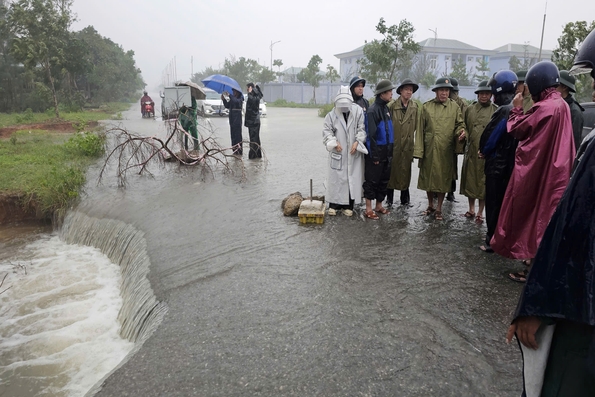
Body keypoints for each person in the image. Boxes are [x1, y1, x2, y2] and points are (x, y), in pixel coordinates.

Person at [505, 29, 595, 396]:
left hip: (544, 178)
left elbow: (576, 235)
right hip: (559, 177)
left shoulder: (543, 108)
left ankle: (526, 265)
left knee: (542, 225)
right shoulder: (566, 108)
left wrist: (538, 303)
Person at [490, 61, 575, 283]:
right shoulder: (562, 105)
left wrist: (517, 108)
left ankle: (532, 270)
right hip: (557, 171)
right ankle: (533, 263)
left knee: (532, 213)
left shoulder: (545, 108)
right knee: (545, 215)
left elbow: (518, 129)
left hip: (542, 170)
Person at [414, 77, 466, 221]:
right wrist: (419, 151)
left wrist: (461, 132)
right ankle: (430, 204)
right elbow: (420, 130)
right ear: (436, 91)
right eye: (441, 90)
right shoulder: (426, 107)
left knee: (443, 179)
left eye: (447, 90)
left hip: (445, 149)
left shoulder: (454, 107)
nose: (444, 93)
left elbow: (459, 124)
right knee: (428, 178)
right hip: (430, 148)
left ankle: (439, 208)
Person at [478, 70, 518, 254]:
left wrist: (483, 150)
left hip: (497, 166)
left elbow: (491, 138)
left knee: (494, 204)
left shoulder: (505, 110)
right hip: (510, 165)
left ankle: (491, 241)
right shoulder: (517, 108)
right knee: (504, 204)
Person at [322, 86, 366, 216]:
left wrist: (357, 141)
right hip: (338, 152)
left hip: (353, 152)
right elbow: (326, 131)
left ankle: (349, 205)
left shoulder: (358, 112)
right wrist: (334, 142)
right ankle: (334, 205)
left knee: (350, 178)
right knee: (336, 178)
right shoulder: (331, 115)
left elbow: (361, 129)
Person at [460, 80, 497, 223]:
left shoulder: (495, 110)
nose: (484, 96)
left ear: (491, 95)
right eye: (481, 93)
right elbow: (466, 127)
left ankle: (481, 211)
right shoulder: (470, 109)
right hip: (472, 151)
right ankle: (471, 208)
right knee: (471, 180)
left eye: (487, 93)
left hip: (486, 153)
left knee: (483, 183)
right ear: (477, 95)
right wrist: (464, 134)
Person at [363, 79, 395, 220]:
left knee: (384, 180)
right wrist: (374, 155)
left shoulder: (386, 109)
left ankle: (379, 205)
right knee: (372, 180)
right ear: (382, 94)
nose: (392, 94)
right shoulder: (372, 111)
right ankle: (368, 208)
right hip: (376, 151)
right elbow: (371, 135)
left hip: (387, 150)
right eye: (389, 92)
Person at [386, 78, 420, 206]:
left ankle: (404, 200)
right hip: (394, 145)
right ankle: (389, 200)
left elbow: (417, 126)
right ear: (400, 91)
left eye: (411, 90)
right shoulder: (391, 106)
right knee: (391, 173)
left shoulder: (415, 107)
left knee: (405, 173)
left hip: (407, 146)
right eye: (406, 89)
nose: (409, 92)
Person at [446, 77, 468, 202]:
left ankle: (450, 192)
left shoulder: (461, 104)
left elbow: (464, 121)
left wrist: (462, 133)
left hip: (454, 138)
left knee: (452, 166)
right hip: (442, 137)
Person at [557, 70, 585, 151]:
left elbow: (574, 141)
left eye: (556, 85)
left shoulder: (574, 111)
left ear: (564, 87)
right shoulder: (556, 106)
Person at [222, 88, 244, 156]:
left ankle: (239, 150)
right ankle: (234, 150)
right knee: (233, 136)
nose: (233, 92)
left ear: (237, 92)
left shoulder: (240, 99)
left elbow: (236, 102)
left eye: (234, 91)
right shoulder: (233, 98)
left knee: (238, 136)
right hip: (232, 120)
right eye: (233, 91)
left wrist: (230, 96)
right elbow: (227, 105)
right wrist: (224, 100)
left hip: (237, 121)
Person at [244, 83, 264, 159]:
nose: (247, 90)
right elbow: (261, 94)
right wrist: (257, 87)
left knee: (253, 139)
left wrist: (250, 92)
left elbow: (251, 101)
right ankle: (258, 155)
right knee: (256, 138)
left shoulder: (253, 96)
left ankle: (252, 156)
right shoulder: (257, 95)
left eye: (247, 88)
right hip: (255, 121)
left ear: (250, 88)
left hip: (253, 121)